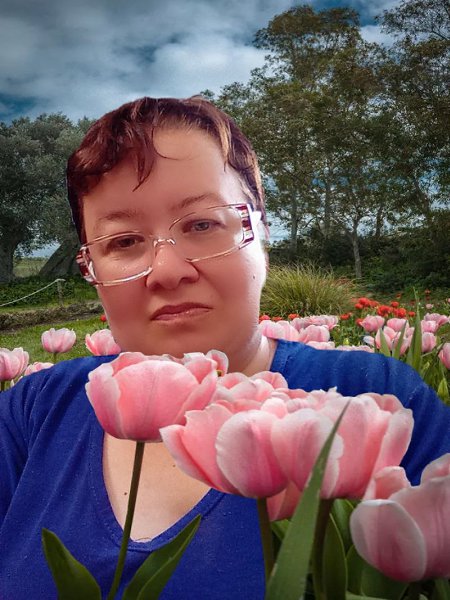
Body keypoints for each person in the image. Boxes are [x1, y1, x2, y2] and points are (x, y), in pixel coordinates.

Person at [0, 96, 449, 599]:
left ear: (262, 235)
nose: (168, 272)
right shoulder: (32, 412)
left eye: (202, 224)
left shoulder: (374, 403)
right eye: (123, 242)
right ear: (92, 268)